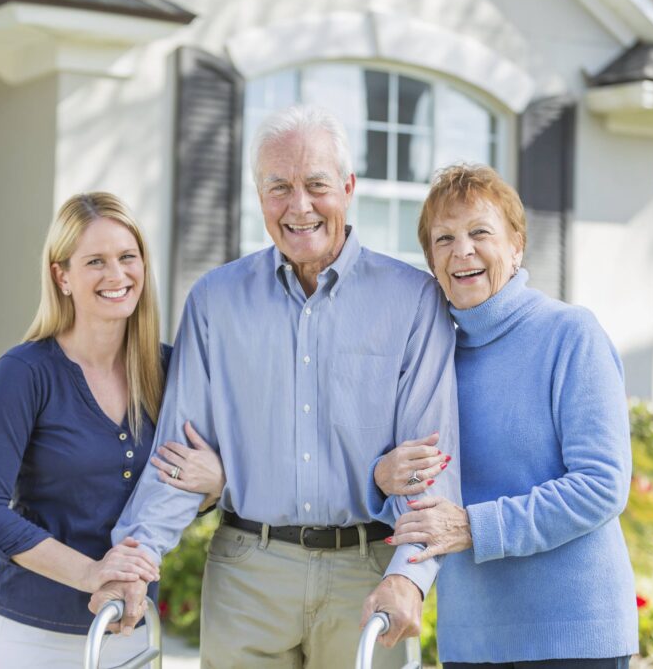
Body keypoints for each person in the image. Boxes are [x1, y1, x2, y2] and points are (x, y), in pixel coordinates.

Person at [89, 106, 460, 668]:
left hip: (367, 571)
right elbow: (176, 461)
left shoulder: (414, 301)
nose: (299, 206)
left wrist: (410, 576)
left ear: (349, 187)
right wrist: (133, 563)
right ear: (258, 195)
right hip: (247, 573)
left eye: (316, 185)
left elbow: (428, 469)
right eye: (279, 187)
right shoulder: (215, 302)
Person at [374, 164, 638, 668]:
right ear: (431, 261)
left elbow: (602, 484)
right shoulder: (431, 359)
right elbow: (428, 504)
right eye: (444, 238)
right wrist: (382, 483)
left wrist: (476, 527)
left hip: (575, 635)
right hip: (472, 641)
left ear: (517, 245)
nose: (462, 250)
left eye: (480, 232)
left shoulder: (570, 334)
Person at [0, 192, 224, 668]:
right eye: (95, 262)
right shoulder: (25, 372)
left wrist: (214, 486)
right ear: (62, 276)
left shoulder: (170, 371)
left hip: (130, 632)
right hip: (29, 638)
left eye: (128, 257)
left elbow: (185, 485)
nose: (117, 275)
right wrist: (93, 574)